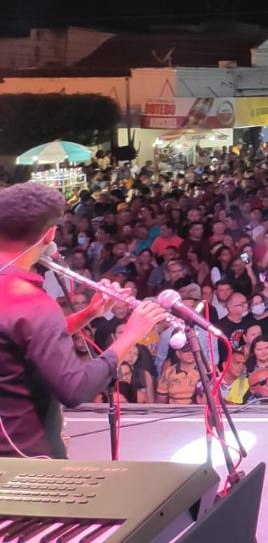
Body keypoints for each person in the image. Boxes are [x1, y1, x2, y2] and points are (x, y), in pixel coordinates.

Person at [0, 183, 168, 458]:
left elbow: (21, 340)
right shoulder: (32, 303)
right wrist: (131, 334)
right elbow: (76, 389)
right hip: (28, 463)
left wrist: (89, 314)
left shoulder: (19, 301)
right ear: (50, 235)